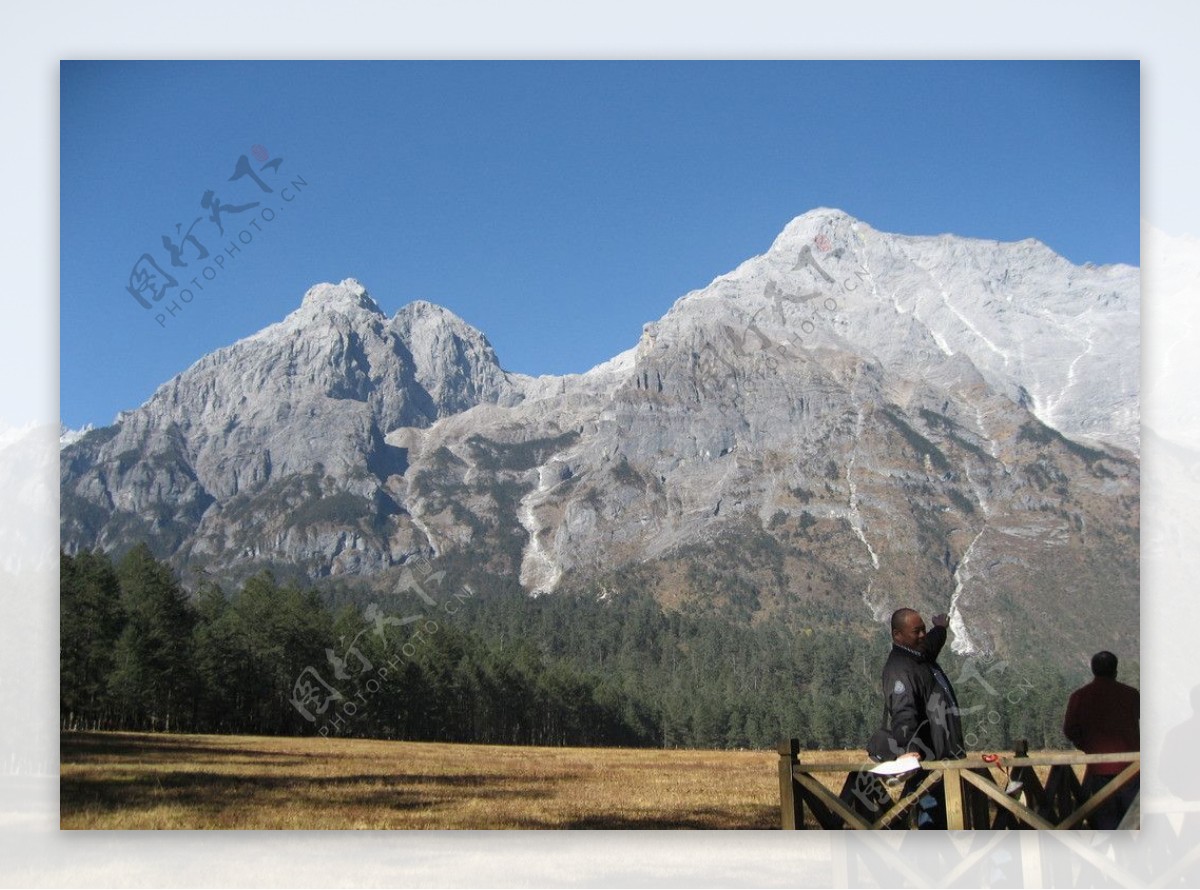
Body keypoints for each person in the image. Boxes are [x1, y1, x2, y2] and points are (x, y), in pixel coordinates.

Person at [881, 608, 966, 828]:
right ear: (897, 635)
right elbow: (903, 712)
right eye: (916, 632)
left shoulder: (917, 655)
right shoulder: (900, 669)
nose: (922, 636)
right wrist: (905, 750)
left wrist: (940, 628)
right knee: (930, 821)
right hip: (928, 760)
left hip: (942, 759)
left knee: (941, 818)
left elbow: (930, 645)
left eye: (924, 631)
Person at [1063, 650, 1140, 829]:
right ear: (1115, 670)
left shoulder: (1080, 696)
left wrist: (1089, 747)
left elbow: (1070, 730)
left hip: (1098, 771)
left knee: (1107, 825)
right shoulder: (1131, 695)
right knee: (1134, 825)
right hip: (1132, 771)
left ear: (1093, 669)